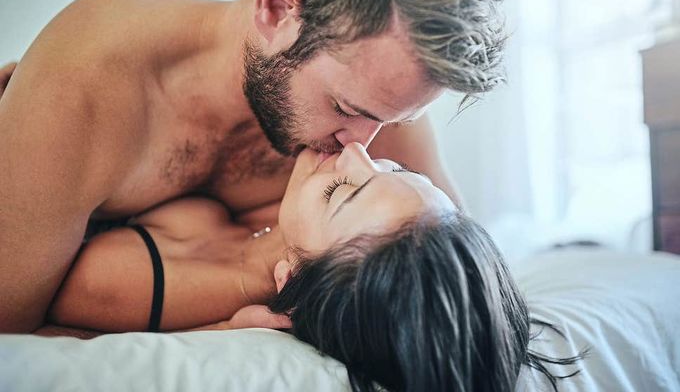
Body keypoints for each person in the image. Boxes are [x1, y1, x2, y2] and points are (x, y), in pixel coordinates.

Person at [0, 0, 505, 333]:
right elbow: (15, 343)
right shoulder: (83, 90)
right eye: (345, 108)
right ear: (278, 9)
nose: (363, 145)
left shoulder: (378, 100)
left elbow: (456, 299)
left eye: (394, 120)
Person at [43, 143, 583, 391]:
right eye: (396, 169)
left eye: (340, 192)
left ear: (289, 282)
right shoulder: (333, 183)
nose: (356, 149)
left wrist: (217, 332)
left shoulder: (132, 284)